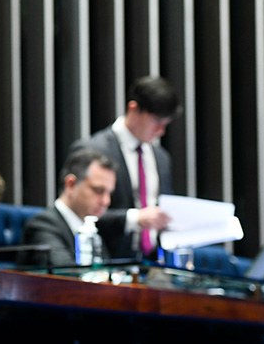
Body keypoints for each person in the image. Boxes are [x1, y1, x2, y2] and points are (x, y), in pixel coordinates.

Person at [68, 75, 182, 261]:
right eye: (156, 121)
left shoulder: (161, 157)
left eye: (165, 124)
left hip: (154, 264)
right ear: (133, 108)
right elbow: (77, 213)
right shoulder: (92, 150)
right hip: (108, 261)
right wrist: (133, 218)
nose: (161, 131)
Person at [17, 149, 117, 268]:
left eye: (109, 193)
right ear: (71, 185)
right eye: (98, 191)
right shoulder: (42, 225)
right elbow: (67, 275)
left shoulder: (93, 228)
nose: (106, 201)